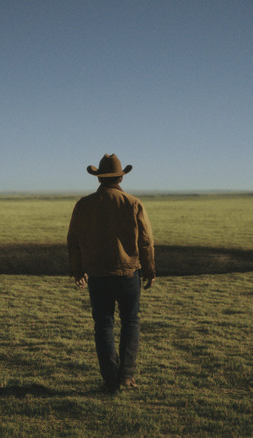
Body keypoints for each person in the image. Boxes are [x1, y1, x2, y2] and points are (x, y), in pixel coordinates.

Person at [67, 154, 156, 394]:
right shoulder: (133, 203)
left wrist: (78, 271)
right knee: (131, 321)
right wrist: (149, 269)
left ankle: (110, 381)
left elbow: (73, 240)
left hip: (98, 275)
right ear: (120, 176)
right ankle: (126, 377)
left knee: (103, 325)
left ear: (98, 178)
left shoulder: (84, 204)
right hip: (129, 274)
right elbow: (146, 241)